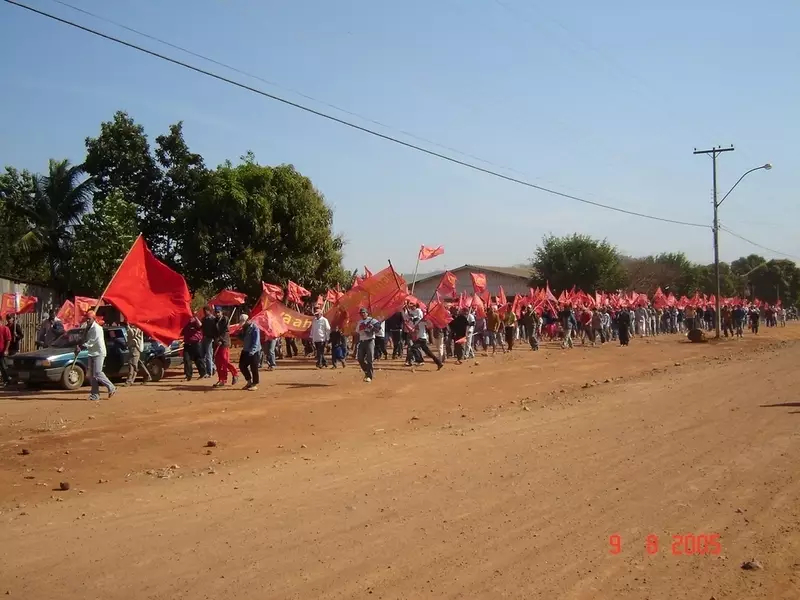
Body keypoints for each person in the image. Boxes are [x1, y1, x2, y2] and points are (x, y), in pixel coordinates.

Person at [80, 310, 116, 401]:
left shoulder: (97, 328)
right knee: (91, 375)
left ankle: (111, 387)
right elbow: (85, 339)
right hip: (91, 352)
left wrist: (82, 346)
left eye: (89, 319)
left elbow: (92, 341)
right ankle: (95, 394)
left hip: (99, 353)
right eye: (87, 319)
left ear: (93, 318)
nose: (87, 321)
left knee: (97, 372)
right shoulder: (88, 328)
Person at [403, 303, 443, 370]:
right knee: (429, 353)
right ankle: (439, 363)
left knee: (413, 348)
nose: (412, 320)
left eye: (413, 319)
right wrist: (407, 324)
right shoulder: (415, 322)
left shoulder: (420, 321)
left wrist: (426, 319)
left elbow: (429, 325)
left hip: (422, 338)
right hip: (421, 338)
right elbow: (412, 330)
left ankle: (419, 360)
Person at [212, 307, 239, 388]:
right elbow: (214, 332)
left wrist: (221, 340)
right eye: (216, 312)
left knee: (224, 360)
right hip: (216, 343)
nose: (217, 314)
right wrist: (216, 339)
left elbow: (225, 331)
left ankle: (235, 373)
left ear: (221, 312)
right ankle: (222, 379)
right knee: (218, 363)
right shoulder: (214, 321)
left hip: (224, 343)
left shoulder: (225, 319)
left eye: (218, 312)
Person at [356, 307, 381, 382]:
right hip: (362, 341)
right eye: (361, 313)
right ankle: (367, 371)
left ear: (367, 313)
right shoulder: (359, 322)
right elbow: (357, 331)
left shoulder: (373, 320)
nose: (363, 314)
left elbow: (378, 329)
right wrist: (363, 328)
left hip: (370, 341)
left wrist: (372, 327)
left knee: (369, 359)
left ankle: (369, 376)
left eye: (364, 312)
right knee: (360, 358)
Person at [237, 314, 261, 391]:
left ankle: (254, 384)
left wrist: (253, 351)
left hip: (254, 351)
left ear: (248, 320)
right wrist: (238, 334)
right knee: (242, 366)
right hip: (246, 349)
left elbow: (256, 340)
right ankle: (249, 382)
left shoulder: (254, 328)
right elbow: (243, 339)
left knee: (254, 368)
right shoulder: (244, 328)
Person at [181, 315, 206, 380]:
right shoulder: (184, 322)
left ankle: (202, 373)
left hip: (196, 344)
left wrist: (195, 317)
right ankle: (188, 376)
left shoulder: (195, 321)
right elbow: (181, 332)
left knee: (198, 359)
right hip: (187, 344)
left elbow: (200, 325)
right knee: (187, 360)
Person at [200, 306, 217, 377]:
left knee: (209, 355)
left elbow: (216, 329)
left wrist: (214, 338)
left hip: (210, 339)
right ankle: (212, 368)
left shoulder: (213, 319)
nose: (204, 313)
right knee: (202, 355)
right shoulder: (203, 319)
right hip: (204, 338)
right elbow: (201, 327)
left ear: (209, 311)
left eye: (205, 311)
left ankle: (209, 372)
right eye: (204, 311)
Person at [0, 318, 11, 386]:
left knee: (3, 366)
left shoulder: (5, 329)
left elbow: (8, 340)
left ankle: (7, 380)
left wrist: (6, 349)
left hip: (1, 351)